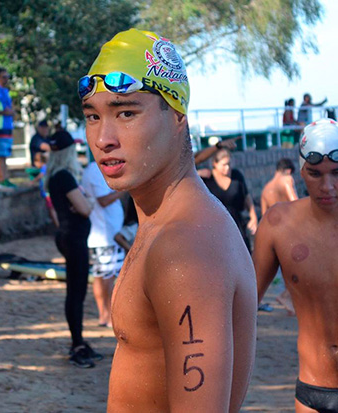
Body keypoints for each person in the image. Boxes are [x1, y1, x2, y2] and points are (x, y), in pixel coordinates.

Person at [80, 28, 257, 410]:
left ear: (177, 116)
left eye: (126, 112)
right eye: (92, 116)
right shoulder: (165, 224)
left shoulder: (186, 246)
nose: (103, 138)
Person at [254, 118, 338, 412]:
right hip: (312, 387)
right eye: (315, 174)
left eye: (337, 173)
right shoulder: (278, 225)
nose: (327, 186)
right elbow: (246, 302)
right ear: (301, 171)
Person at [45, 128, 101, 368]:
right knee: (76, 294)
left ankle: (78, 341)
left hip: (70, 236)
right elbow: (86, 208)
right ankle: (76, 344)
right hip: (73, 238)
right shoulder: (64, 177)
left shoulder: (55, 176)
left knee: (76, 292)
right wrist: (87, 200)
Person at [81, 160, 125, 328]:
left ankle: (104, 315)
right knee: (107, 275)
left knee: (102, 275)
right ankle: (106, 315)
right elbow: (103, 200)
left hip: (105, 232)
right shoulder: (95, 171)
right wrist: (124, 188)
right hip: (106, 233)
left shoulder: (93, 170)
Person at [258, 157, 298, 315]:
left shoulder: (265, 189)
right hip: (290, 229)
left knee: (286, 269)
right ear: (288, 170)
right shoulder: (286, 180)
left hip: (273, 234)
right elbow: (294, 201)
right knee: (297, 268)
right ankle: (286, 296)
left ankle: (288, 300)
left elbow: (264, 216)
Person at [201, 148, 258, 250]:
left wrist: (253, 217)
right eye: (224, 165)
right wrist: (198, 173)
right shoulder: (207, 178)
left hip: (236, 224)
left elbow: (246, 196)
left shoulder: (236, 175)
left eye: (229, 164)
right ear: (215, 163)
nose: (227, 168)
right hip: (215, 226)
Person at [31, 151, 59, 228]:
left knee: (51, 209)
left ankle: (57, 225)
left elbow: (41, 175)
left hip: (47, 193)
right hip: (48, 192)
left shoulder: (44, 167)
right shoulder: (48, 166)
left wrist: (33, 181)